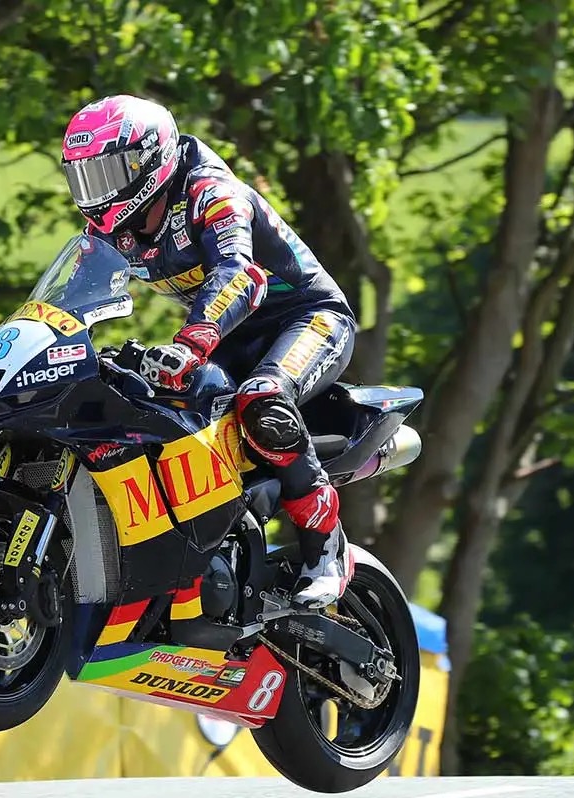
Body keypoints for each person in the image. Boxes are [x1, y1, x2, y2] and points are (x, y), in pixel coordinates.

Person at [59, 93, 358, 609]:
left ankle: (324, 546)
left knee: (261, 399)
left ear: (149, 160)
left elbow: (237, 272)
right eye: (85, 178)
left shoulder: (211, 193)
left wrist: (192, 341)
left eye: (107, 174)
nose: (96, 194)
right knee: (157, 406)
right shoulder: (109, 230)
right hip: (226, 336)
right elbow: (76, 298)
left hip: (306, 319)